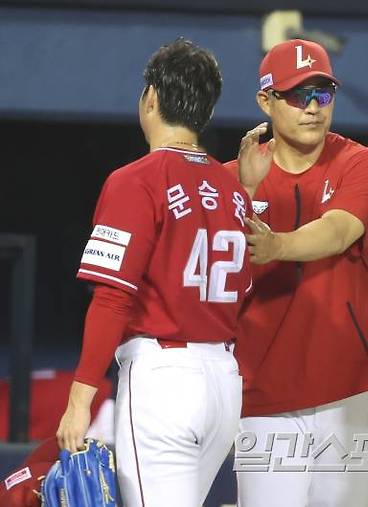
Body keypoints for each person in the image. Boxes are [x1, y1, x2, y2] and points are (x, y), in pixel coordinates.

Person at [55, 39, 252, 507]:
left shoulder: (135, 180)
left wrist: (79, 402)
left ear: (151, 98)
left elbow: (111, 298)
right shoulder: (234, 190)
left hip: (163, 379)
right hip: (224, 382)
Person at [226, 39, 368, 507]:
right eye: (300, 95)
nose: (315, 108)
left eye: (324, 94)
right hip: (263, 391)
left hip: (348, 387)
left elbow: (339, 230)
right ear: (266, 100)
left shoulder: (364, 163)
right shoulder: (230, 180)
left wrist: (278, 244)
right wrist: (242, 191)